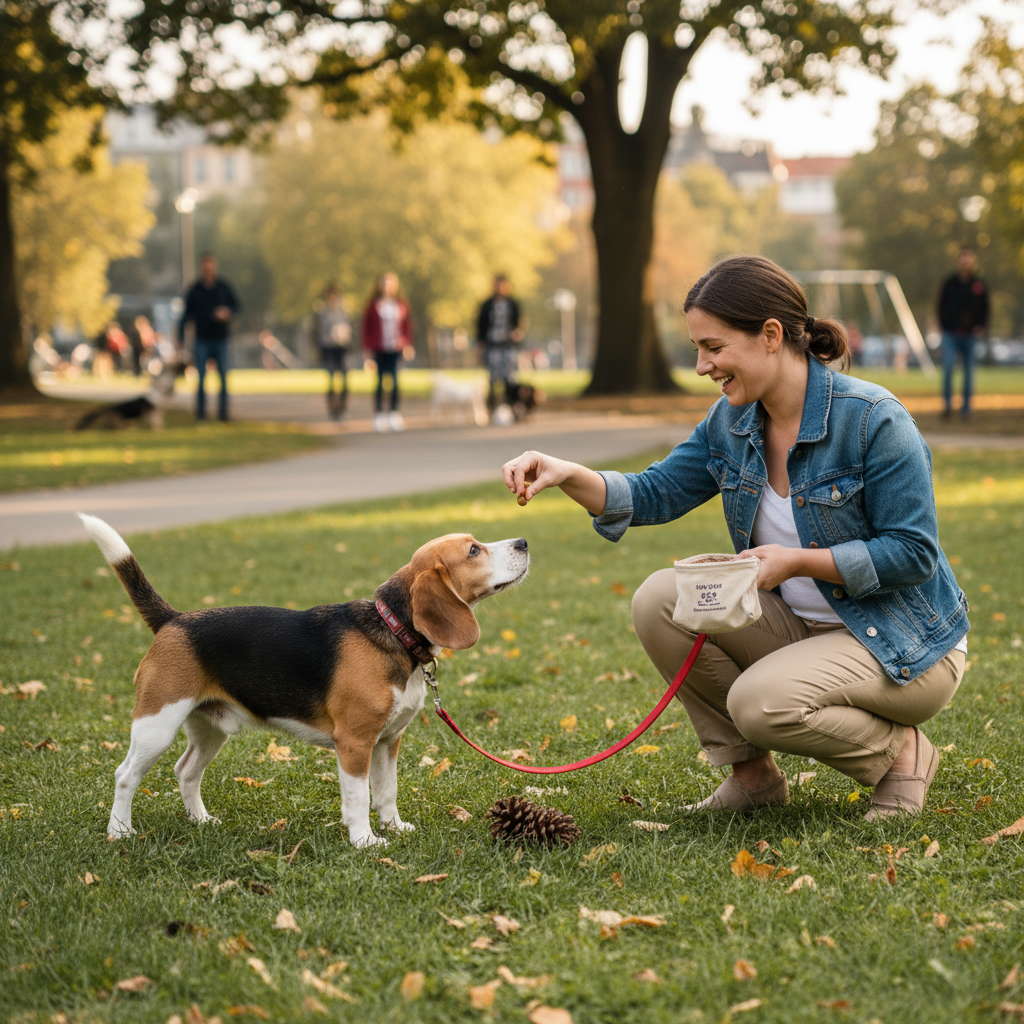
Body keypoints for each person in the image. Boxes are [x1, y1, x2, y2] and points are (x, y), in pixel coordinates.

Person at [503, 255, 969, 821]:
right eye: (698, 348)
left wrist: (798, 561)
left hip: (900, 643)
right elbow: (655, 492)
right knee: (659, 599)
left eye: (714, 347)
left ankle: (902, 756)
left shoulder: (874, 419)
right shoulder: (732, 422)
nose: (702, 365)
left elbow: (914, 554)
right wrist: (566, 472)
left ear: (771, 336)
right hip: (802, 633)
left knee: (759, 704)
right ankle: (753, 780)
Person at [178, 253, 239, 422]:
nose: (207, 268)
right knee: (201, 378)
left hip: (221, 339)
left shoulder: (223, 287)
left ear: (214, 266)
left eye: (210, 265)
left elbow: (235, 306)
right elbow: (185, 316)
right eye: (204, 265)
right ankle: (201, 415)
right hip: (202, 339)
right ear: (201, 268)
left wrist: (227, 312)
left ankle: (223, 415)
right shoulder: (195, 290)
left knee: (223, 378)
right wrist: (181, 338)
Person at [937, 247, 989, 419]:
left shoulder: (978, 284)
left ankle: (966, 409)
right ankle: (947, 406)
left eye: (968, 258)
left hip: (970, 336)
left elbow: (986, 309)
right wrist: (945, 326)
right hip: (951, 334)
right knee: (949, 368)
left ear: (973, 261)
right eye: (962, 258)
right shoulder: (949, 283)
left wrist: (980, 326)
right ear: (958, 261)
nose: (965, 261)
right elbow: (940, 307)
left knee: (968, 372)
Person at [361, 272, 412, 432]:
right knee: (380, 381)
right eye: (383, 283)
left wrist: (406, 344)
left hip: (395, 349)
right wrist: (367, 350)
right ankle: (378, 414)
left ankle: (393, 413)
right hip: (379, 348)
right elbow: (366, 328)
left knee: (395, 382)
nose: (386, 287)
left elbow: (407, 326)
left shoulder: (401, 304)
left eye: (389, 283)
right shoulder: (373, 304)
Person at [476, 273, 523, 414]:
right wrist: (480, 344)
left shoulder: (512, 303)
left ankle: (509, 405)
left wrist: (517, 333)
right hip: (492, 345)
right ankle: (491, 407)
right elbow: (481, 325)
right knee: (492, 377)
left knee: (509, 377)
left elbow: (519, 323)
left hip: (508, 345)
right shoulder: (487, 304)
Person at [314, 283, 352, 420]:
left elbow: (349, 328)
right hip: (328, 348)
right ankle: (332, 409)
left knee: (345, 380)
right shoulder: (321, 312)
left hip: (342, 348)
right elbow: (316, 331)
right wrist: (317, 348)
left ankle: (342, 408)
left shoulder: (343, 311)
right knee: (331, 379)